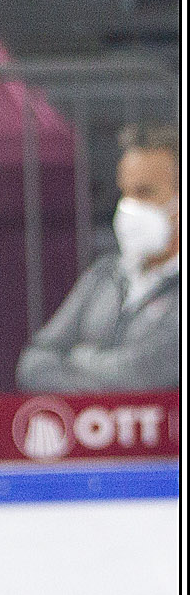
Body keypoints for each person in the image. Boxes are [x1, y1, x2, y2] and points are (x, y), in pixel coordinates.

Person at [16, 122, 179, 393]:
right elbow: (34, 362)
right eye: (124, 193)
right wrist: (96, 372)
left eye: (144, 192)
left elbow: (144, 374)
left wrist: (78, 359)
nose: (128, 207)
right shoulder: (104, 274)